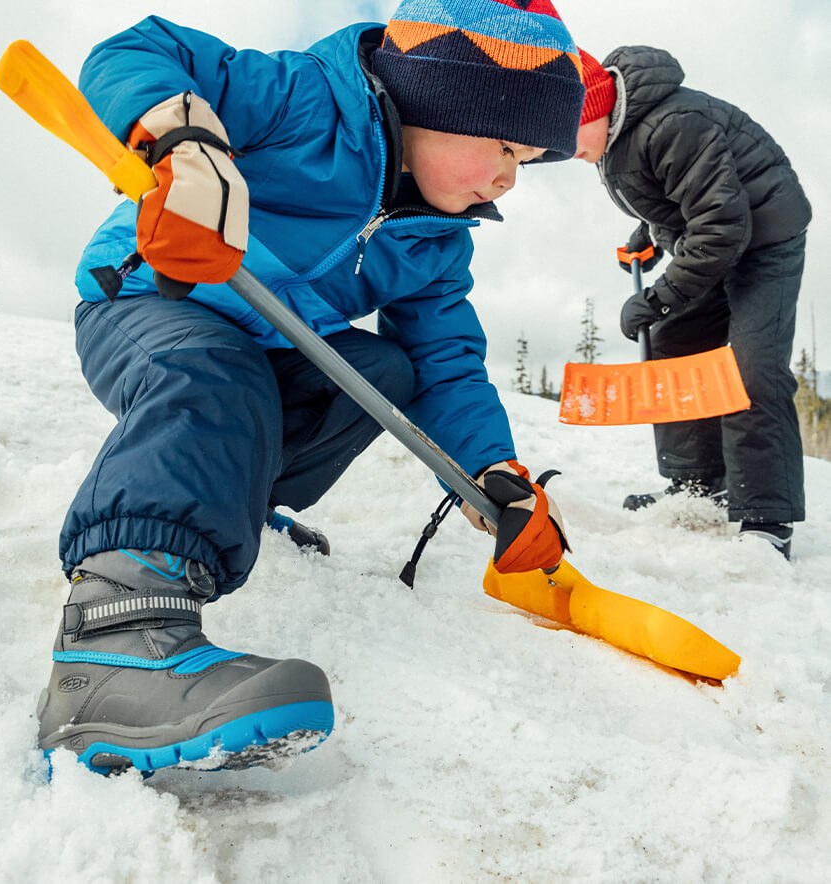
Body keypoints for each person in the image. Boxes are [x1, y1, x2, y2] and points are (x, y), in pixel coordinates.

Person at [37, 0, 584, 776]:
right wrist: (187, 143)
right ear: (438, 100)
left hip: (269, 343)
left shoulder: (434, 238)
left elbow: (443, 363)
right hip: (157, 298)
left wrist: (494, 471)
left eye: (524, 163)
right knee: (211, 371)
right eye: (503, 145)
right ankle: (111, 647)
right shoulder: (304, 100)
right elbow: (139, 49)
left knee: (383, 376)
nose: (508, 180)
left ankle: (236, 501)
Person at [572, 46, 811, 558]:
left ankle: (766, 517)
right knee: (676, 342)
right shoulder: (616, 134)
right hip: (715, 233)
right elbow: (679, 191)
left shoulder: (672, 123)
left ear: (594, 110)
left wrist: (657, 298)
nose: (563, 150)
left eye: (567, 134)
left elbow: (722, 226)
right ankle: (699, 485)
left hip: (766, 239)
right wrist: (649, 236)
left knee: (751, 370)